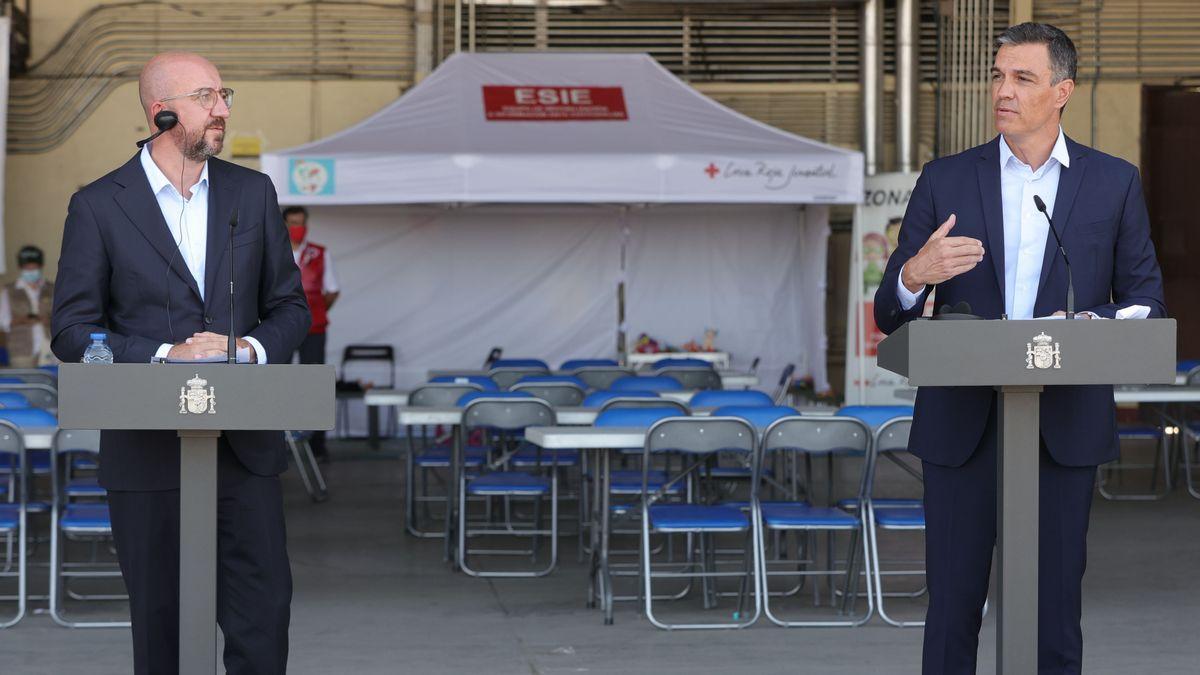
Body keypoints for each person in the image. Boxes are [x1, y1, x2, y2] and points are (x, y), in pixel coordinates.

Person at [873, 23, 1165, 674]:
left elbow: (1147, 300)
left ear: (1061, 91)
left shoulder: (1112, 183)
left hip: (1063, 428)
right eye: (998, 75)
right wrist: (915, 272)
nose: (1003, 90)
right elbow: (889, 314)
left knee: (1054, 615)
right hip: (961, 430)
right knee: (951, 611)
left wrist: (1088, 320)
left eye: (1022, 78)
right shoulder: (945, 180)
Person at [51, 52, 310, 675]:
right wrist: (163, 355)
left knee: (263, 617)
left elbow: (291, 308)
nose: (222, 109)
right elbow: (72, 333)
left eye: (224, 94)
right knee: (161, 629)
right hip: (146, 453)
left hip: (245, 449)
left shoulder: (253, 192)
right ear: (160, 111)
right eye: (206, 97)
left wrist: (248, 349)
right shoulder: (97, 206)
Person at [284, 205, 339, 461]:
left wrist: (312, 312)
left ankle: (318, 444)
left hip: (313, 327)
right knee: (275, 381)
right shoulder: (272, 249)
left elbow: (332, 290)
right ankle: (274, 440)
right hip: (279, 327)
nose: (297, 227)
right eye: (293, 222)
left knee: (315, 383)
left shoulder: (320, 253)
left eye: (301, 222)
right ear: (283, 224)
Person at [0, 245, 56, 367]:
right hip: (21, 350)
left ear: (40, 267)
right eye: (27, 268)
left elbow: (60, 315)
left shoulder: (51, 288)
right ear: (21, 268)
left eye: (34, 267)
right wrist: (21, 320)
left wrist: (49, 320)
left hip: (49, 347)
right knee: (26, 382)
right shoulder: (9, 290)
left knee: (51, 381)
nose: (31, 271)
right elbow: (3, 321)